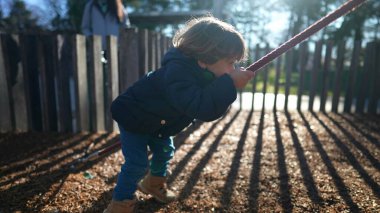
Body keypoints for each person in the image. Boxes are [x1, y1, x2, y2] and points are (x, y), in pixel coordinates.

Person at [104, 15, 255, 213]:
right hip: (134, 118)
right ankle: (120, 204)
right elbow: (201, 106)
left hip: (159, 122)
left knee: (165, 151)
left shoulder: (203, 73)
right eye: (230, 62)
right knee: (137, 164)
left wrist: (226, 82)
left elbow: (208, 101)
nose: (233, 68)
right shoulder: (177, 74)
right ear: (204, 59)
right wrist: (229, 84)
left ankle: (152, 184)